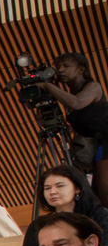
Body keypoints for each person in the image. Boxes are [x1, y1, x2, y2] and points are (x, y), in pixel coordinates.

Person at [39, 53, 107, 197]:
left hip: (105, 141)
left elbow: (76, 103)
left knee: (105, 189)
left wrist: (48, 85)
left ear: (81, 69)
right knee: (98, 194)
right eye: (58, 67)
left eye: (66, 66)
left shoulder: (93, 86)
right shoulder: (69, 95)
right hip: (96, 146)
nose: (61, 70)